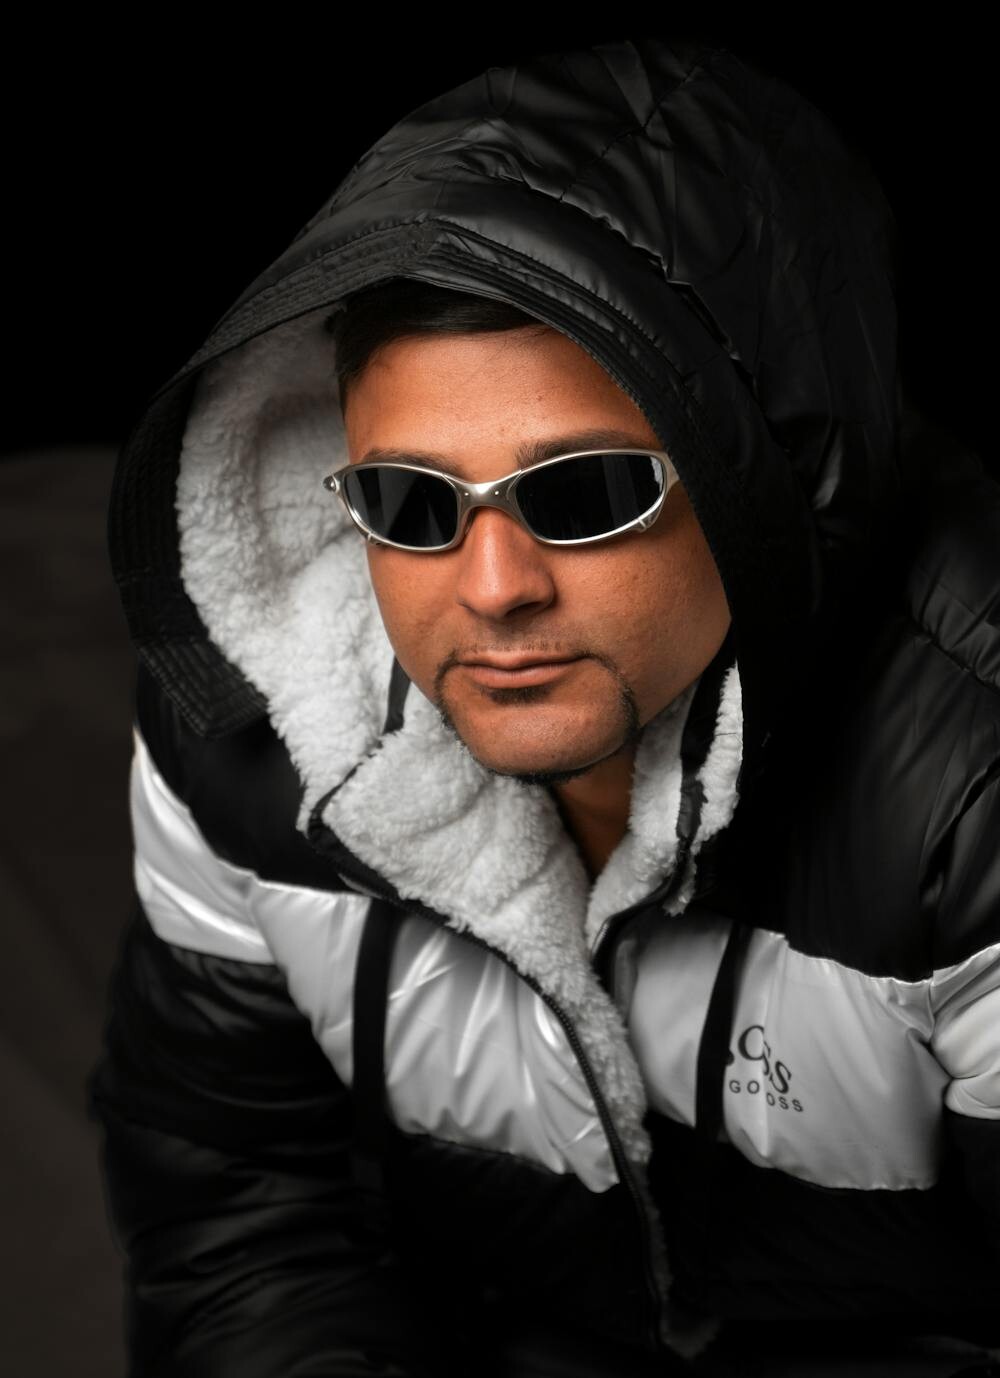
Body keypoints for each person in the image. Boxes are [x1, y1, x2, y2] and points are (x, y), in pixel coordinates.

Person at [85, 35, 1000, 1378]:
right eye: (409, 502)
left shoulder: (972, 783)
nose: (494, 587)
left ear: (766, 481)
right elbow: (241, 1215)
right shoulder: (258, 731)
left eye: (585, 493)